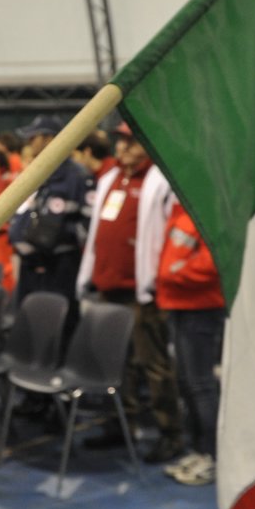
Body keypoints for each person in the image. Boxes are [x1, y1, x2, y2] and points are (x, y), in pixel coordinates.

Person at [78, 125, 182, 462]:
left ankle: (170, 433)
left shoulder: (161, 181)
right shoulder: (111, 179)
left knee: (152, 364)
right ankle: (119, 425)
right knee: (116, 364)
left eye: (131, 141)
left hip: (141, 291)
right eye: (120, 140)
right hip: (108, 287)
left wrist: (153, 281)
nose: (122, 146)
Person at [156, 201, 225, 486]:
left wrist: (173, 274)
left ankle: (212, 456)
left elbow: (211, 263)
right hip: (179, 304)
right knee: (187, 382)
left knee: (201, 385)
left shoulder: (211, 211)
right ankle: (198, 451)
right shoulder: (181, 209)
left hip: (200, 308)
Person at [8, 115, 91, 330]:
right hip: (29, 268)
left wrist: (53, 234)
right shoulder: (34, 173)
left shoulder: (77, 177)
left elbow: (88, 227)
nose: (29, 143)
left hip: (59, 267)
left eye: (33, 138)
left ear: (49, 139)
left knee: (58, 327)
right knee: (27, 328)